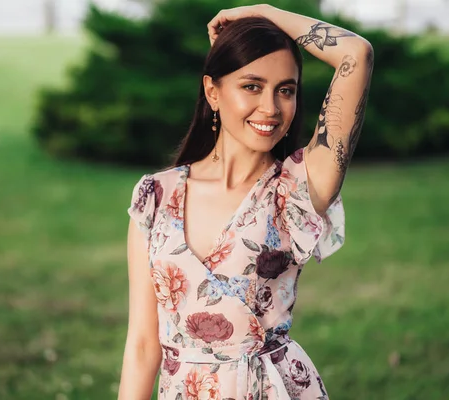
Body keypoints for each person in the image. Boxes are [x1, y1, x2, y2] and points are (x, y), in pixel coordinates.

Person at [119, 4, 373, 400]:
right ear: (212, 92)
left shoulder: (299, 188)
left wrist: (264, 12)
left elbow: (355, 54)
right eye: (252, 86)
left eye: (285, 90)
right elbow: (141, 345)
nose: (270, 108)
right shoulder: (155, 196)